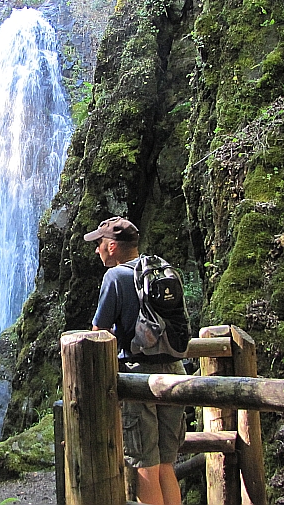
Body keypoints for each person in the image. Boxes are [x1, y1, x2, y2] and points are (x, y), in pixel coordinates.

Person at [85, 216, 185, 505]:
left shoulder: (115, 277)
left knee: (145, 467)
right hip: (174, 373)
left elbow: (97, 332)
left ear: (112, 246)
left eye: (99, 244)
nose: (97, 251)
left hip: (139, 377)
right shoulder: (161, 270)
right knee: (167, 465)